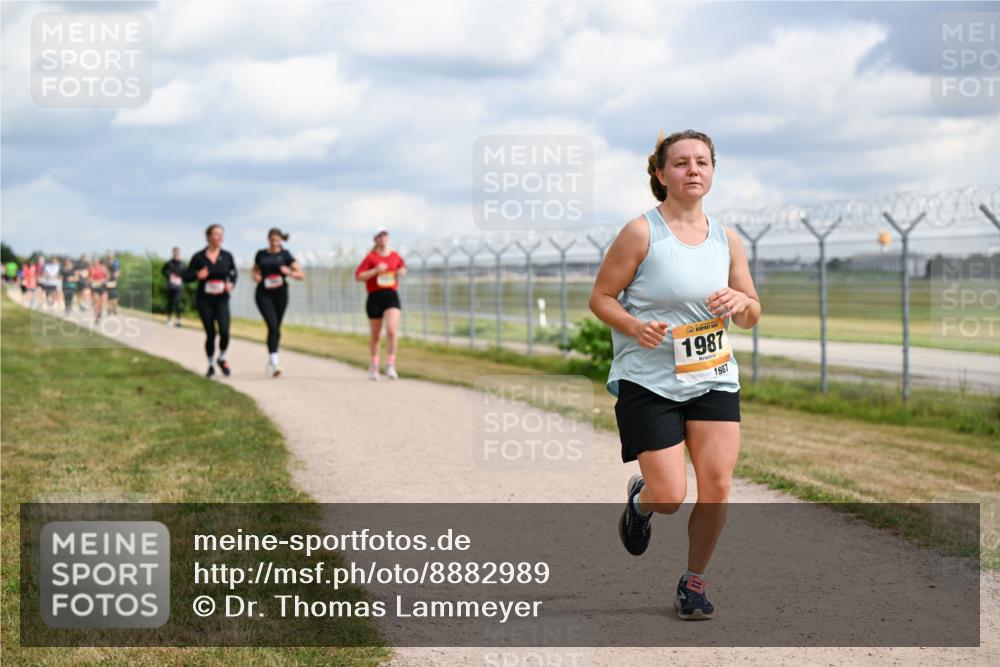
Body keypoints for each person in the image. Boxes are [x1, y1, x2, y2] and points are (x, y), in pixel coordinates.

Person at [588, 129, 761, 621]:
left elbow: (752, 312)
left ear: (712, 171)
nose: (693, 170)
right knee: (670, 496)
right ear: (661, 174)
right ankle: (641, 502)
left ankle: (694, 582)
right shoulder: (642, 232)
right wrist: (633, 325)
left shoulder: (727, 239)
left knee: (718, 486)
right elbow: (600, 297)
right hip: (650, 380)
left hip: (713, 376)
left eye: (702, 162)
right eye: (681, 162)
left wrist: (741, 302)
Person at [184, 224, 238, 378]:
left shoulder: (227, 256)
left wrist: (231, 283)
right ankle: (211, 365)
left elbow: (233, 274)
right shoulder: (199, 257)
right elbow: (186, 276)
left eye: (222, 234)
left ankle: (222, 358)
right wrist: (197, 275)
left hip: (222, 299)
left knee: (225, 332)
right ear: (208, 237)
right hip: (205, 300)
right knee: (211, 334)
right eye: (216, 234)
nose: (220, 237)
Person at [355, 228, 406, 380]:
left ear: (388, 238)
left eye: (385, 235)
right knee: (376, 335)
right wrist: (376, 270)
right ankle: (374, 366)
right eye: (379, 236)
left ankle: (390, 364)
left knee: (391, 330)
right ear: (375, 240)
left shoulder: (395, 256)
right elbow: (359, 276)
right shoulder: (370, 258)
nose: (383, 238)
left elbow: (403, 267)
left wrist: (401, 271)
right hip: (375, 296)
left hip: (391, 295)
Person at [252, 228, 304, 377]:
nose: (274, 242)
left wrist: (290, 272)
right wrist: (256, 276)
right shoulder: (261, 254)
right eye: (272, 239)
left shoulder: (286, 255)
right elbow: (254, 270)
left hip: (280, 295)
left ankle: (271, 358)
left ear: (281, 240)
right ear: (268, 239)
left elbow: (301, 274)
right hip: (263, 294)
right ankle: (275, 361)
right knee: (272, 325)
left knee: (276, 327)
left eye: (277, 239)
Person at [161, 247, 186, 326]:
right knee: (170, 303)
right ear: (172, 254)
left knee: (178, 302)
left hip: (178, 287)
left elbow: (185, 273)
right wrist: (169, 275)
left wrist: (181, 278)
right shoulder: (169, 263)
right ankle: (169, 319)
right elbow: (163, 271)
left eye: (177, 253)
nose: (176, 255)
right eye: (174, 253)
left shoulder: (182, 264)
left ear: (179, 254)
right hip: (170, 286)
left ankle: (178, 320)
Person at [88, 257, 108, 323]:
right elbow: (89, 278)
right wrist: (91, 281)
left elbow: (107, 276)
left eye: (96, 262)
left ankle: (100, 313)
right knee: (96, 302)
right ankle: (96, 317)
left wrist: (104, 280)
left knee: (102, 303)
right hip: (95, 287)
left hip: (102, 287)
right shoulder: (91, 268)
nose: (95, 263)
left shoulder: (103, 268)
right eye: (94, 262)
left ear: (98, 262)